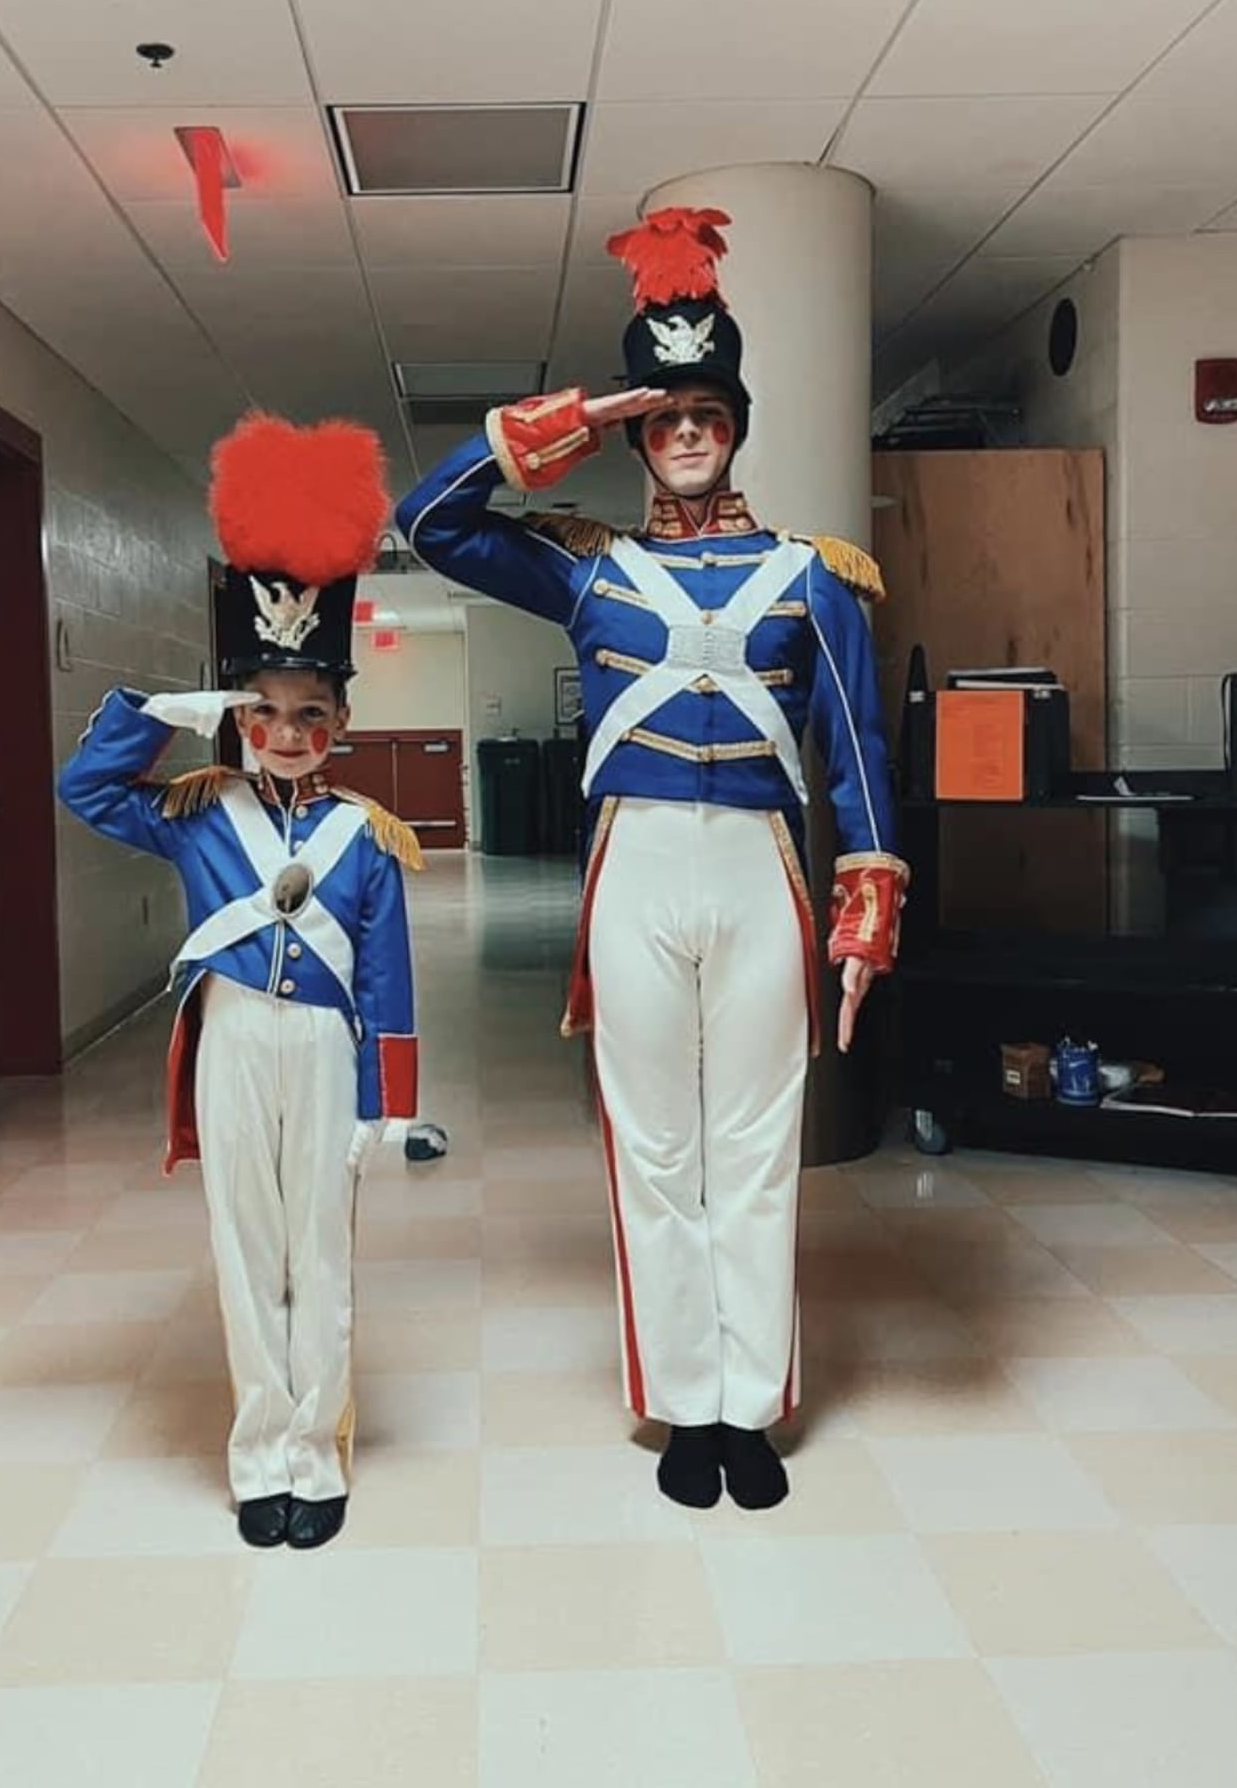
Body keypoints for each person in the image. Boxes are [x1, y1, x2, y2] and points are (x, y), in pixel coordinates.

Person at [395, 208, 906, 1511]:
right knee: (651, 1146)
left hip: (758, 867)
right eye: (664, 409)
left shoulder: (810, 579)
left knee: (755, 1140)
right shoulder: (592, 571)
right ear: (638, 425)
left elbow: (855, 754)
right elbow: (432, 524)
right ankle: (683, 1399)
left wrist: (867, 904)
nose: (685, 429)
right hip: (632, 866)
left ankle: (752, 1400)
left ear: (735, 421)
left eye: (706, 407)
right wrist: (557, 419)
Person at [59, 412, 421, 1551]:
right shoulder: (195, 806)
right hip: (229, 1037)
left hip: (320, 1046)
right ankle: (257, 1449)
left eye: (312, 711)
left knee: (318, 1246)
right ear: (237, 714)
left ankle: (316, 1451)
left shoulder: (369, 836)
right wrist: (165, 713)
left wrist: (385, 1100)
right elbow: (85, 789)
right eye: (263, 709)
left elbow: (392, 979)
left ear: (343, 721)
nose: (288, 729)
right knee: (243, 1244)